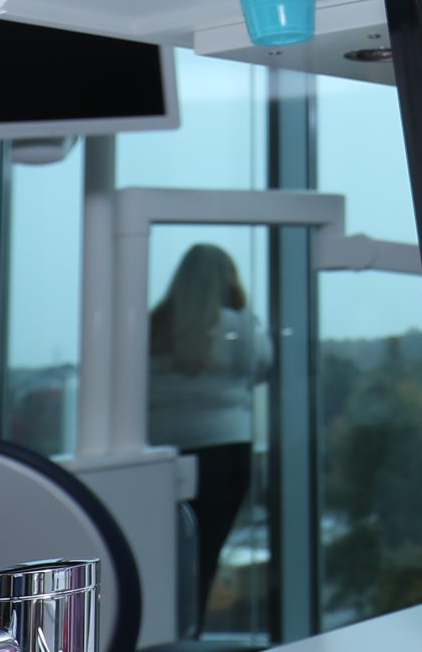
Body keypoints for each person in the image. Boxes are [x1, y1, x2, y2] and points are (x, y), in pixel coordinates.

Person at [148, 242, 271, 627]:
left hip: (161, 451)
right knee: (207, 552)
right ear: (227, 280)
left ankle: (160, 632)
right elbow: (263, 368)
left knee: (161, 555)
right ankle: (190, 630)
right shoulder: (238, 326)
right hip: (224, 449)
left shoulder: (152, 326)